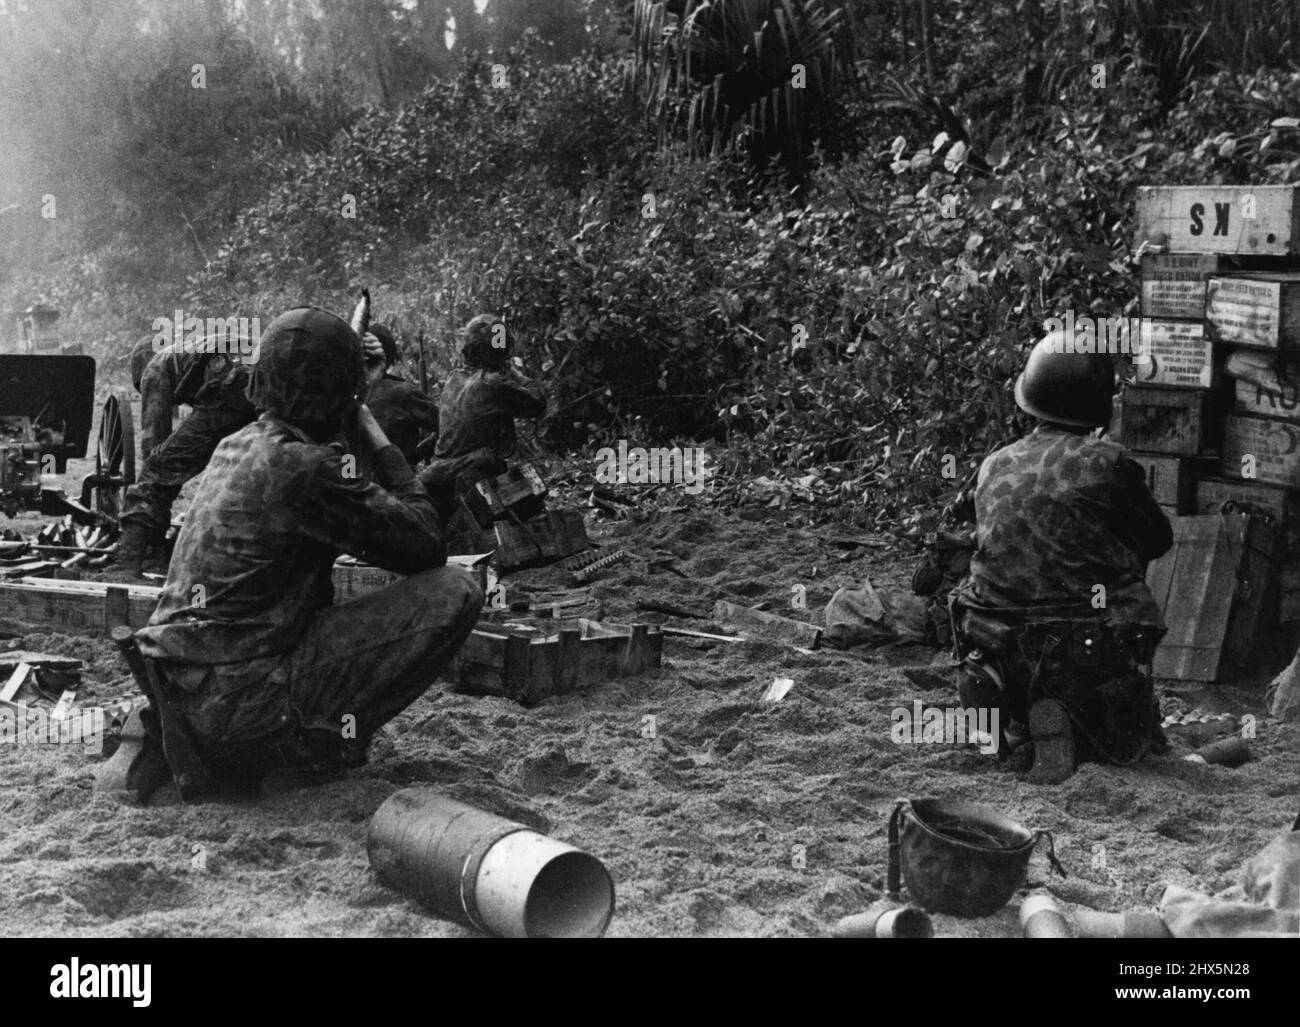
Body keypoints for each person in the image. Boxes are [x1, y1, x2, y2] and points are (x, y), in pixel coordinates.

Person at [106, 306, 482, 800]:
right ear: (340, 392)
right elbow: (427, 545)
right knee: (455, 591)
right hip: (240, 701)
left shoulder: (237, 444)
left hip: (182, 685)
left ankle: (233, 742)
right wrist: (369, 426)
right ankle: (308, 747)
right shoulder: (306, 469)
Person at [950, 329, 1172, 783]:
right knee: (1127, 601)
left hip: (998, 641)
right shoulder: (1109, 463)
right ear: (1099, 405)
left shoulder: (994, 463)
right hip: (1086, 647)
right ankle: (1069, 710)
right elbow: (1158, 540)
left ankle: (1014, 715)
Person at [118, 334, 259, 574]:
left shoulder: (154, 369)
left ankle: (127, 563)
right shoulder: (188, 349)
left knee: (157, 470)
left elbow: (154, 440)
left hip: (228, 386)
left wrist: (152, 509)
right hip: (262, 381)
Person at [419, 313, 546, 527]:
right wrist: (514, 372)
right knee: (532, 484)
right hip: (472, 482)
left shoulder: (453, 379)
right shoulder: (491, 384)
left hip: (439, 478)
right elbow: (538, 402)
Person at [362, 323, 440, 468]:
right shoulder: (404, 393)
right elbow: (448, 426)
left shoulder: (344, 394)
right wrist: (413, 457)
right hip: (396, 484)